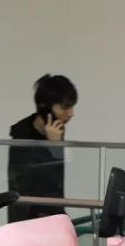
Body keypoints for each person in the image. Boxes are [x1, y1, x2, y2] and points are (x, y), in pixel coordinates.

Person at [7, 74, 77, 223]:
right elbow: (29, 183)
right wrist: (52, 146)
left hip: (53, 213)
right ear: (45, 107)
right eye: (65, 107)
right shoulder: (22, 135)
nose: (71, 113)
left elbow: (57, 181)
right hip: (28, 219)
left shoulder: (56, 130)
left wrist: (55, 146)